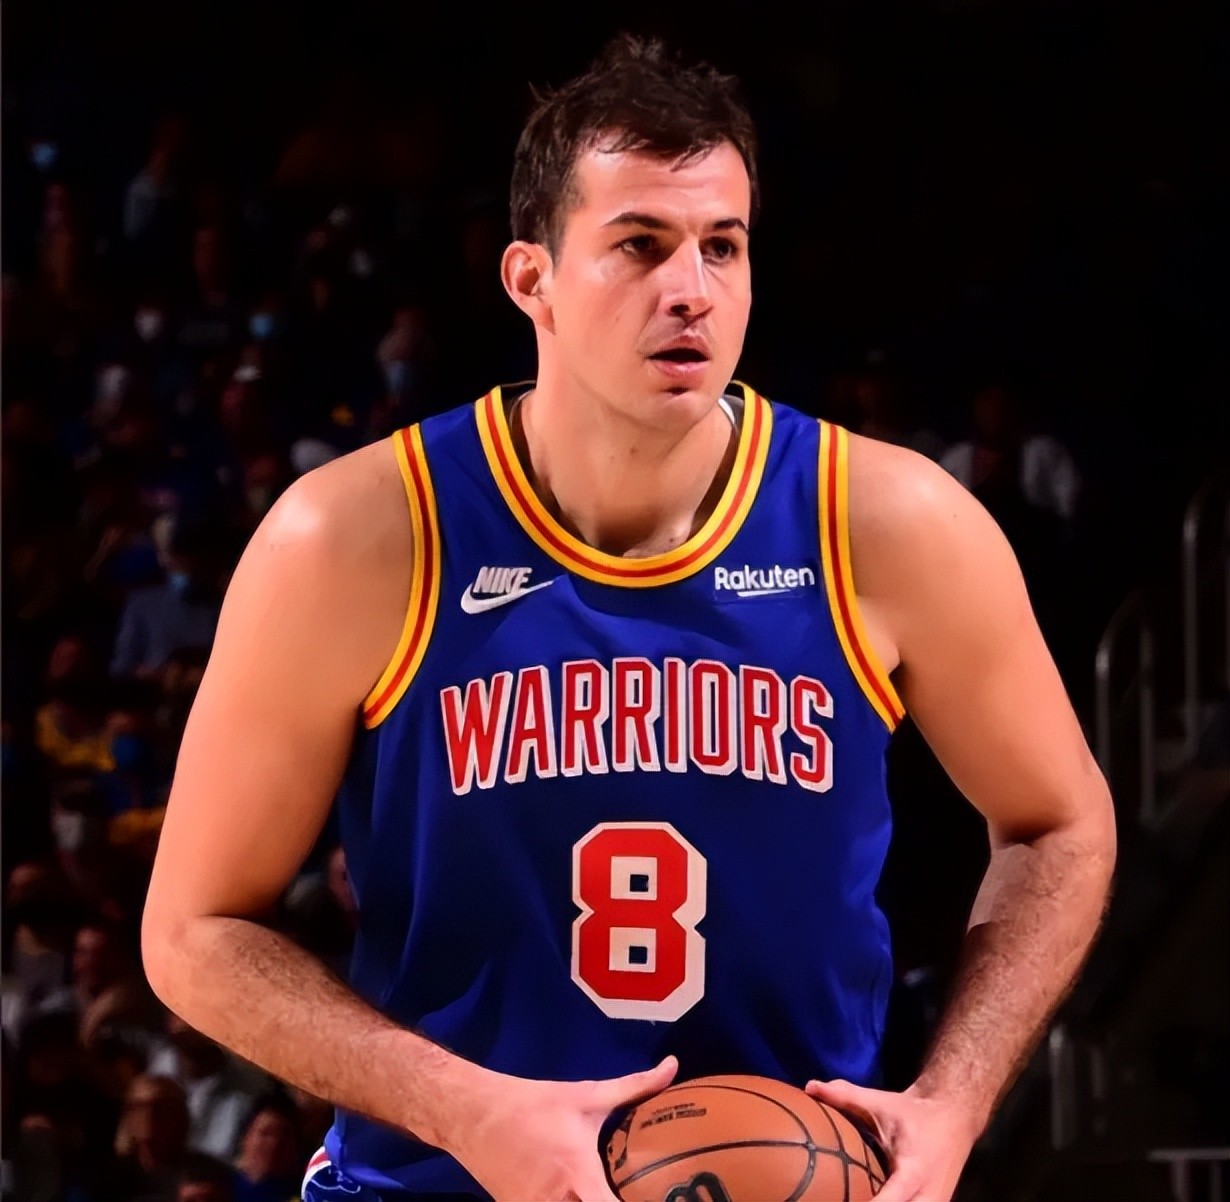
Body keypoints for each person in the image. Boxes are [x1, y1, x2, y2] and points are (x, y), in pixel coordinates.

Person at [141, 33, 1117, 1202]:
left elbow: (1060, 822)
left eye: (722, 246)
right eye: (640, 244)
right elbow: (194, 929)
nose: (691, 287)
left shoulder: (887, 523)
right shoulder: (356, 538)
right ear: (532, 279)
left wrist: (954, 1100)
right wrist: (461, 1104)